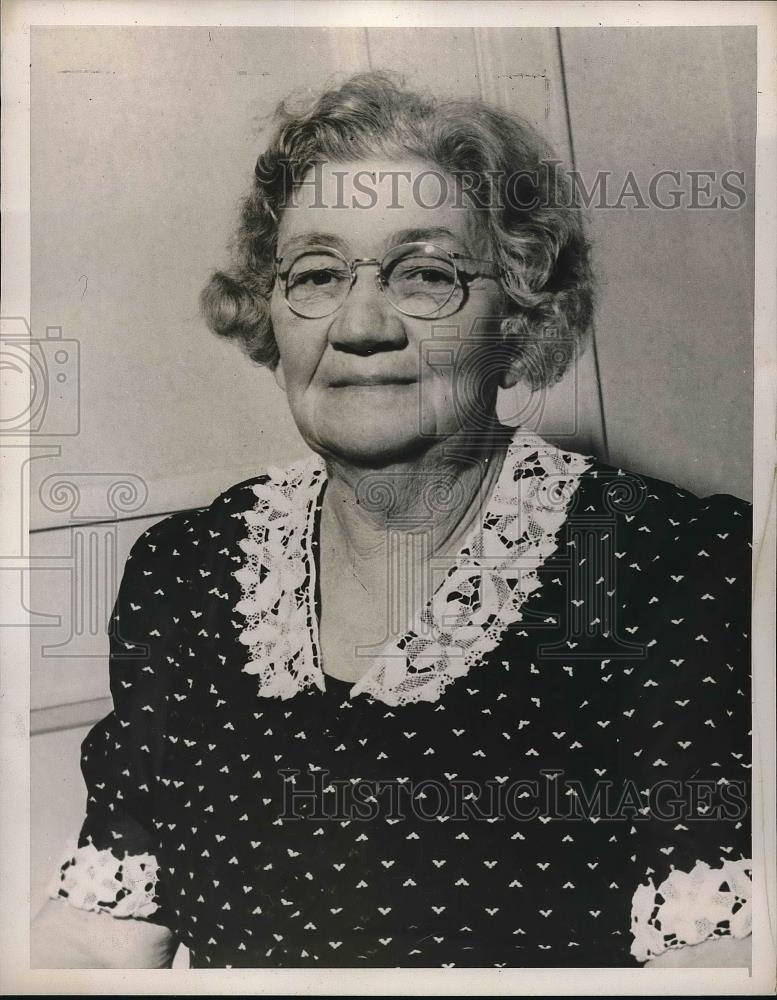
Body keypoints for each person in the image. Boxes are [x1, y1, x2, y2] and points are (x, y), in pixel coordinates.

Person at [32, 72, 752, 969]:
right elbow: (102, 938)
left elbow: (716, 965)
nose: (361, 323)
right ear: (270, 312)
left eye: (425, 274)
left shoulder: (657, 567)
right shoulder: (192, 572)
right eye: (319, 273)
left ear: (519, 317)